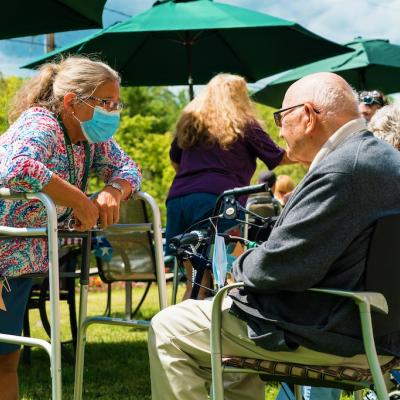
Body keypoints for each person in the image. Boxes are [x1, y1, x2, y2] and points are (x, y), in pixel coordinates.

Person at [148, 72, 400, 400]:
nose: (278, 130)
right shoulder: (385, 160)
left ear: (307, 116)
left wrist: (237, 267)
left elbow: (279, 267)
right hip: (372, 327)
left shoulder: (341, 170)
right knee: (226, 331)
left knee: (170, 326)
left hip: (330, 332)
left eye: (281, 117)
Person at [0, 56, 141, 400]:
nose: (114, 110)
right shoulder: (41, 124)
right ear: (71, 102)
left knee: (5, 362)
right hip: (6, 254)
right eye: (106, 102)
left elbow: (128, 167)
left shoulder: (90, 139)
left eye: (116, 102)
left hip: (19, 262)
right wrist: (79, 200)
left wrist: (114, 190)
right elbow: (16, 168)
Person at [166, 73, 291, 300]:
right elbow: (277, 157)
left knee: (196, 280)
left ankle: (184, 327)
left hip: (179, 200)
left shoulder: (190, 123)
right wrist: (313, 151)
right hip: (217, 202)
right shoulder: (244, 124)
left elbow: (175, 158)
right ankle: (212, 328)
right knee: (225, 277)